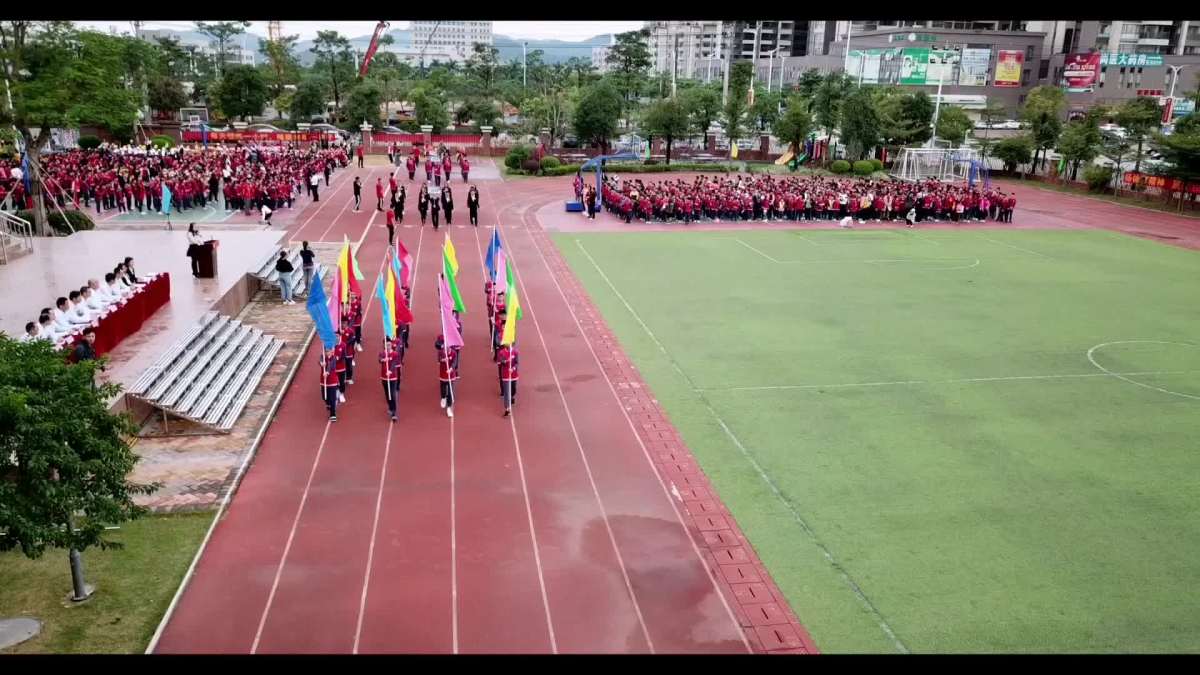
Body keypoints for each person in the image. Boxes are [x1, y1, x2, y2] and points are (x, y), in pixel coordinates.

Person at [435, 334, 459, 418]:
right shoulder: (441, 352)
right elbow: (439, 360)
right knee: (443, 389)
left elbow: (455, 362)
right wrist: (443, 359)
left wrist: (451, 369)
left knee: (450, 391)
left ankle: (449, 407)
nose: (447, 347)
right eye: (446, 346)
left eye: (448, 346)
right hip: (443, 374)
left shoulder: (454, 353)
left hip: (450, 375)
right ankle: (443, 398)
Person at [380, 336, 401, 421]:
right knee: (387, 394)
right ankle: (390, 406)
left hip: (392, 378)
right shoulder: (382, 353)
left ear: (391, 344)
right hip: (384, 377)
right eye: (386, 345)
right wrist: (383, 360)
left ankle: (394, 412)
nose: (388, 346)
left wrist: (390, 371)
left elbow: (394, 363)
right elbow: (379, 359)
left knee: (392, 394)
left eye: (389, 344)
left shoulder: (395, 354)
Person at [497, 342, 519, 416]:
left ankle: (512, 397)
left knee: (513, 389)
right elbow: (500, 361)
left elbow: (517, 363)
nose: (508, 345)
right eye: (507, 344)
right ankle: (507, 408)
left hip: (513, 375)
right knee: (506, 392)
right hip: (506, 375)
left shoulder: (515, 352)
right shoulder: (501, 353)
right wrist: (506, 361)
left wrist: (513, 368)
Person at [320, 346, 340, 421]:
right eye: (326, 351)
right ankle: (328, 403)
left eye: (328, 351)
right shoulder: (322, 356)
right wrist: (321, 363)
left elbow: (331, 366)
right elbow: (320, 361)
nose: (327, 352)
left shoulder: (334, 358)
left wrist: (327, 373)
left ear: (332, 351)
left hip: (332, 381)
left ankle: (333, 414)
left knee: (332, 398)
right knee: (324, 397)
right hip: (323, 381)